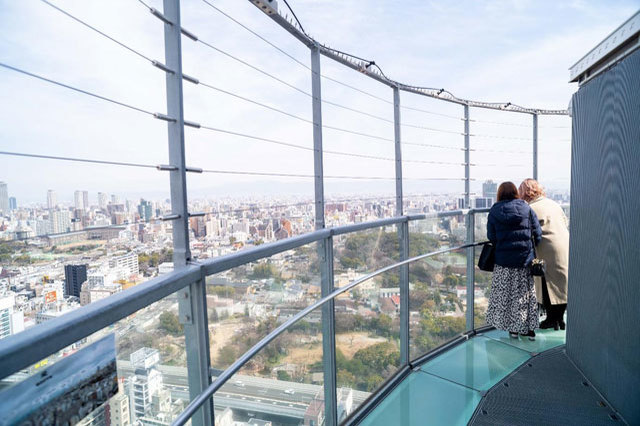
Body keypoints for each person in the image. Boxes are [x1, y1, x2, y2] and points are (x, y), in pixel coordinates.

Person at [486, 181, 542, 340]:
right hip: (524, 260)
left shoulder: (495, 211)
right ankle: (529, 330)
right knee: (526, 295)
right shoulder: (526, 208)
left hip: (504, 261)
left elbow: (491, 236)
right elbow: (537, 232)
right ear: (516, 193)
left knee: (508, 295)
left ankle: (513, 330)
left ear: (500, 194)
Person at [519, 179, 569, 330]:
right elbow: (564, 222)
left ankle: (551, 320)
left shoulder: (530, 208)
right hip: (564, 245)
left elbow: (528, 232)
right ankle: (559, 319)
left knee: (548, 285)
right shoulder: (553, 203)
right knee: (561, 284)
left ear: (525, 192)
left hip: (547, 249)